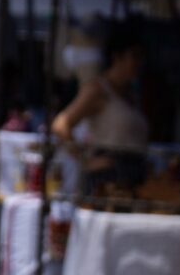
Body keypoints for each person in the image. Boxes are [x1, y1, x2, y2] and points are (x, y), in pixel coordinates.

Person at [52, 21, 149, 199]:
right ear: (117, 57)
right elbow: (61, 125)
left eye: (141, 57)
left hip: (132, 176)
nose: (138, 63)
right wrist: (86, 161)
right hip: (107, 179)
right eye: (134, 56)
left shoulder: (130, 94)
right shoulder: (98, 90)